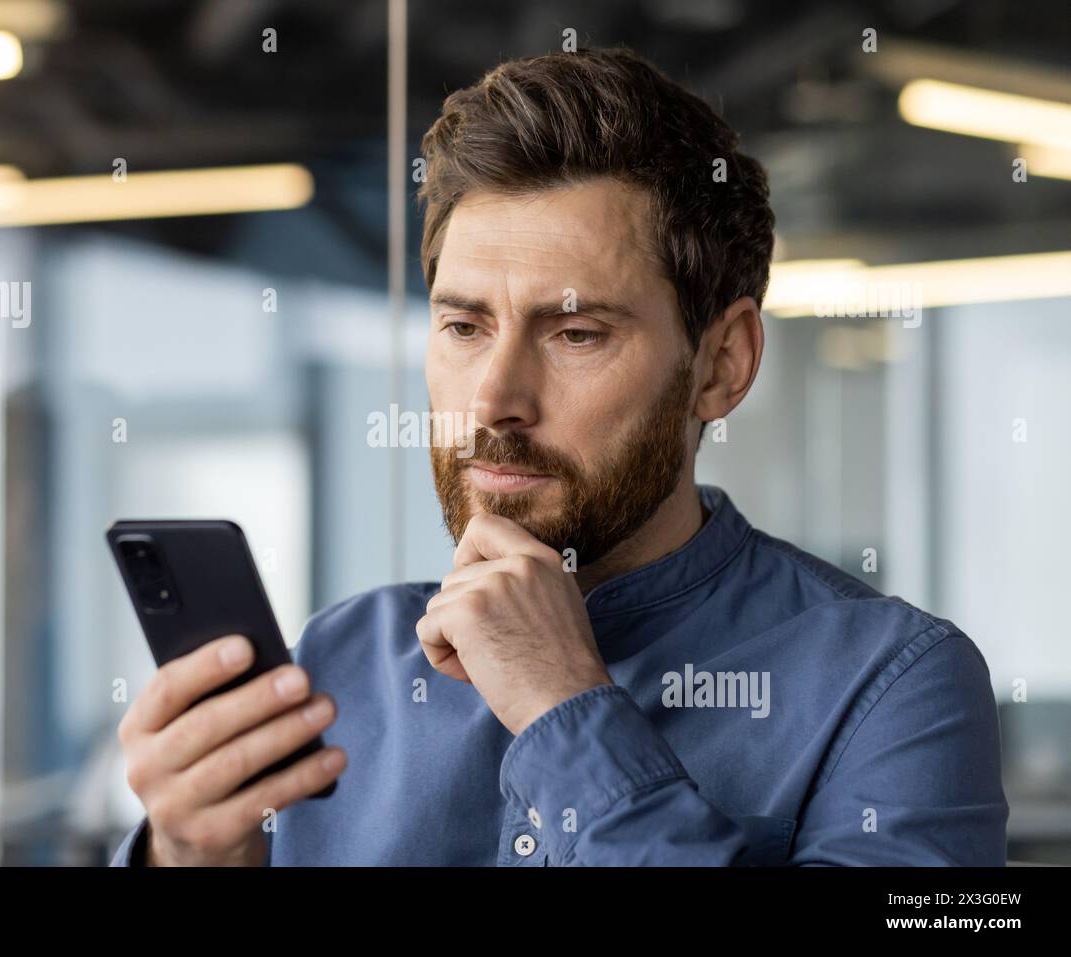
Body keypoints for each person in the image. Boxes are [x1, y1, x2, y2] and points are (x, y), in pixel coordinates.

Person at [110, 46, 1007, 866]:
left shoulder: (895, 686)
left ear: (721, 365)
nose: (494, 400)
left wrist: (565, 711)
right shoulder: (338, 663)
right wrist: (186, 855)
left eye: (575, 333)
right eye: (465, 325)